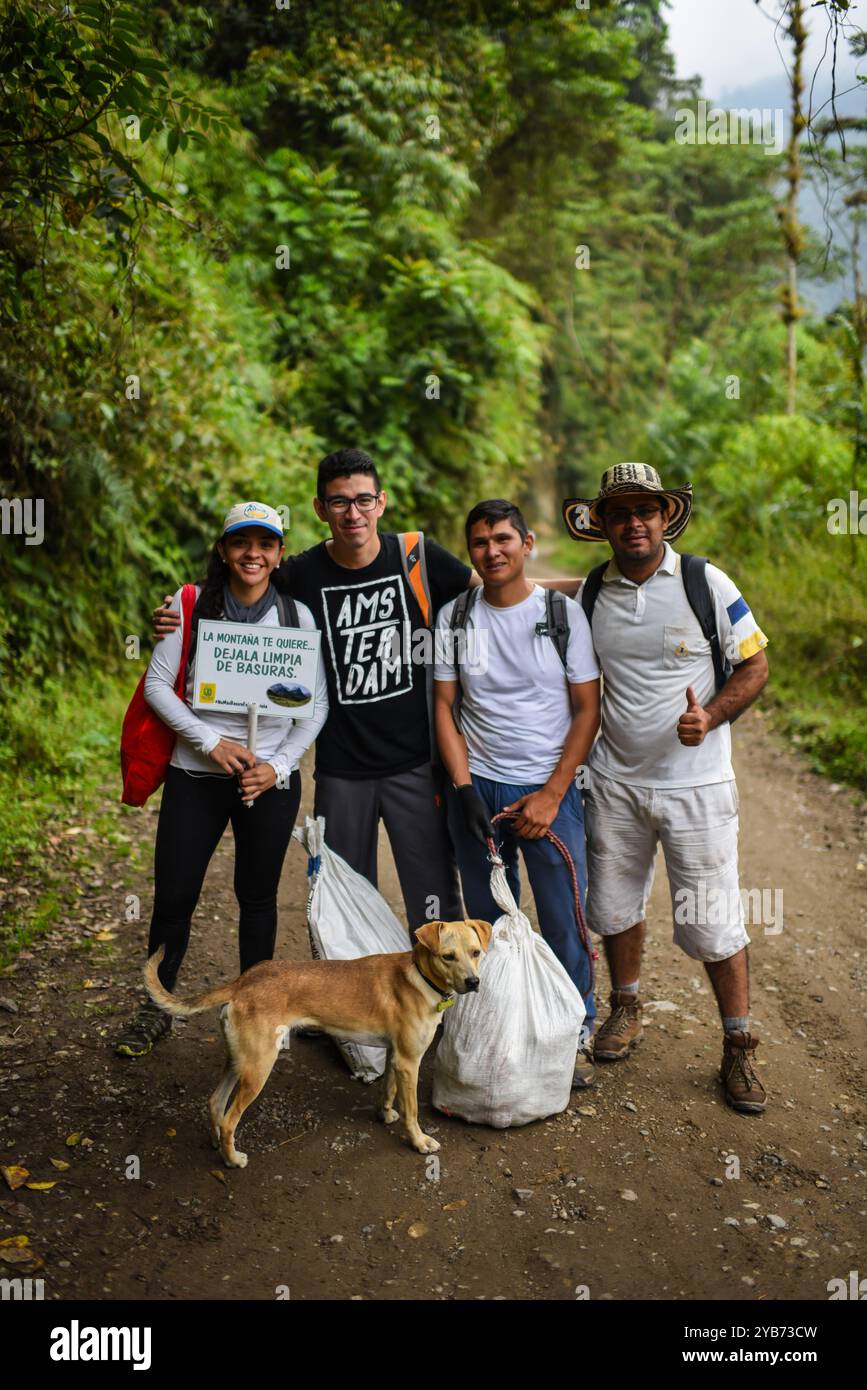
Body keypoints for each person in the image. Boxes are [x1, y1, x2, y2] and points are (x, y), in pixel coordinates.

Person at [152, 449, 581, 932]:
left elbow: (502, 585)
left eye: (362, 501)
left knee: (435, 901)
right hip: (341, 770)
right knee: (346, 904)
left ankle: (440, 1005)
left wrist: (594, 587)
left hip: (416, 766)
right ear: (320, 509)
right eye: (339, 503)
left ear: (381, 503)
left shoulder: (416, 556)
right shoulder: (303, 573)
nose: (352, 513)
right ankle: (356, 1005)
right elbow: (245, 576)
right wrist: (180, 606)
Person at [562, 463, 770, 1113]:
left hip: (696, 786)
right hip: (614, 784)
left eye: (644, 510)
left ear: (663, 517)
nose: (633, 523)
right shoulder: (589, 595)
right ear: (601, 524)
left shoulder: (707, 583)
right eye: (618, 512)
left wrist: (708, 716)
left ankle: (737, 1048)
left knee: (712, 923)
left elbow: (755, 663)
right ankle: (625, 1008)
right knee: (613, 908)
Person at [116, 502, 328, 1058]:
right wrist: (212, 742)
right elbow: (160, 686)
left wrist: (275, 767)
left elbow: (316, 707)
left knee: (257, 898)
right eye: (241, 543)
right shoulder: (189, 606)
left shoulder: (296, 619)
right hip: (196, 776)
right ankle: (154, 1007)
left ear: (279, 554)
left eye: (265, 544)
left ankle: (260, 1014)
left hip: (269, 780)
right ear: (224, 550)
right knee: (175, 895)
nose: (252, 554)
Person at [434, 499, 601, 1087]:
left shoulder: (561, 614)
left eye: (503, 539)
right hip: (477, 786)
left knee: (563, 920)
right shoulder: (454, 617)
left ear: (527, 543)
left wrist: (553, 794)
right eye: (479, 542)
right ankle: (493, 1031)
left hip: (548, 789)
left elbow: (587, 710)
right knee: (483, 924)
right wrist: (462, 789)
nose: (492, 551)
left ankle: (572, 1029)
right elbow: (445, 706)